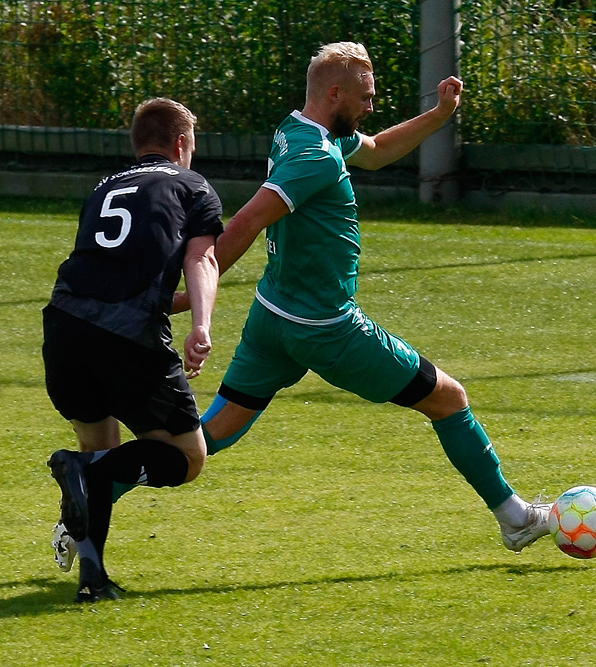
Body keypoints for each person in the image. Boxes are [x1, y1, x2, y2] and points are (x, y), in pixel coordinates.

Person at [196, 42, 551, 552]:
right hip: (326, 327)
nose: (370, 106)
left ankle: (98, 479)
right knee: (448, 399)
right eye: (364, 97)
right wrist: (195, 295)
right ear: (335, 93)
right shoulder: (317, 156)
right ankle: (515, 517)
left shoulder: (299, 131)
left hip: (273, 315)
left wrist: (439, 114)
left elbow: (380, 150)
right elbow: (249, 219)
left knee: (212, 434)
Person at [42, 97, 223, 602]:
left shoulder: (104, 187)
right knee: (187, 457)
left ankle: (92, 581)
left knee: (99, 449)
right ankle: (88, 471)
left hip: (63, 327)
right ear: (181, 144)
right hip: (128, 334)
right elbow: (202, 257)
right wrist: (202, 325)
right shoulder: (191, 185)